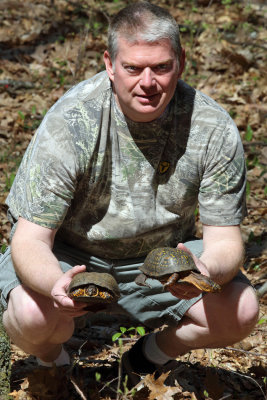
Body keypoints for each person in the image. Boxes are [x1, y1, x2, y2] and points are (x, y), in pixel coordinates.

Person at [0, 1, 259, 386]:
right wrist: (55, 284)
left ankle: (149, 356)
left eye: (161, 67)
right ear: (109, 64)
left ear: (181, 63)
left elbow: (225, 240)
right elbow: (30, 240)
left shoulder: (212, 127)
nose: (147, 82)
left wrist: (205, 270)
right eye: (133, 68)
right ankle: (55, 364)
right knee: (30, 313)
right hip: (72, 260)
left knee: (242, 311)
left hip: (162, 265)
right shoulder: (71, 122)